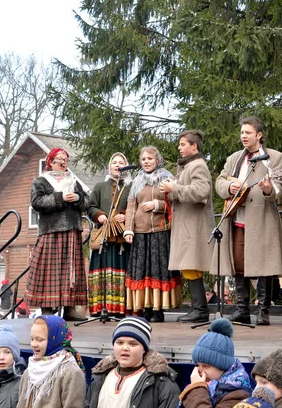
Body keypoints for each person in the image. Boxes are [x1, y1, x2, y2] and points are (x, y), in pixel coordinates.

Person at [212, 116, 282, 325]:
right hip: (237, 217)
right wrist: (229, 188)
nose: (243, 136)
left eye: (248, 133)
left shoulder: (274, 157)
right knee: (238, 264)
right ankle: (242, 309)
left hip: (262, 218)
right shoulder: (234, 158)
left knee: (263, 264)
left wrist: (268, 189)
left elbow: (279, 186)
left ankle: (263, 310)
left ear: (259, 135)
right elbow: (219, 181)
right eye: (242, 133)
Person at [83, 316, 180, 408]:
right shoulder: (100, 377)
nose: (125, 348)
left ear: (144, 348)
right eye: (119, 342)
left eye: (133, 344)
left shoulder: (161, 383)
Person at [25, 148, 89, 321]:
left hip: (72, 230)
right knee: (49, 270)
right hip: (50, 230)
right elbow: (37, 202)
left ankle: (70, 308)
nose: (63, 163)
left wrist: (77, 198)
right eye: (59, 159)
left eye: (65, 160)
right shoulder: (41, 181)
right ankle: (46, 308)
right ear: (51, 162)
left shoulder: (74, 181)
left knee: (71, 270)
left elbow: (87, 200)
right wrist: (60, 198)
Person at [160, 130, 215, 323]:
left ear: (194, 146)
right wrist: (172, 188)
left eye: (183, 144)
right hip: (187, 225)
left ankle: (200, 310)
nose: (179, 147)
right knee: (189, 267)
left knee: (191, 266)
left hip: (194, 226)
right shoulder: (188, 166)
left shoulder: (198, 165)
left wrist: (174, 188)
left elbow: (201, 192)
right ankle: (198, 308)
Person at [123, 146, 182, 322]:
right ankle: (146, 308)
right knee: (141, 271)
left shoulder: (167, 178)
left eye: (150, 158)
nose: (146, 162)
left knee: (158, 270)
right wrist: (128, 229)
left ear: (157, 160)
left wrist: (157, 205)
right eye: (144, 159)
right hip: (140, 233)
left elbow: (175, 205)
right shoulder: (137, 181)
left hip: (159, 230)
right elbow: (131, 207)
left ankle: (158, 310)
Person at [10, 315, 86, 408]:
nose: (34, 344)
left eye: (40, 340)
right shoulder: (30, 370)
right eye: (32, 339)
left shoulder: (70, 373)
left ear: (54, 340)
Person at [174, 318, 252, 408]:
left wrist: (196, 389)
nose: (199, 371)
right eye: (197, 365)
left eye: (205, 366)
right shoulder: (207, 386)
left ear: (223, 366)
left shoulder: (238, 393)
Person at [87, 152, 132, 317]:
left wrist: (126, 214)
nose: (117, 165)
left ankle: (120, 310)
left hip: (121, 240)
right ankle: (100, 309)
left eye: (121, 162)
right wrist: (98, 214)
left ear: (126, 166)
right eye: (114, 162)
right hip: (103, 238)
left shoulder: (131, 187)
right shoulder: (100, 187)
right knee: (102, 272)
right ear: (109, 166)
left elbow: (136, 205)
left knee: (121, 272)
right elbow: (90, 207)